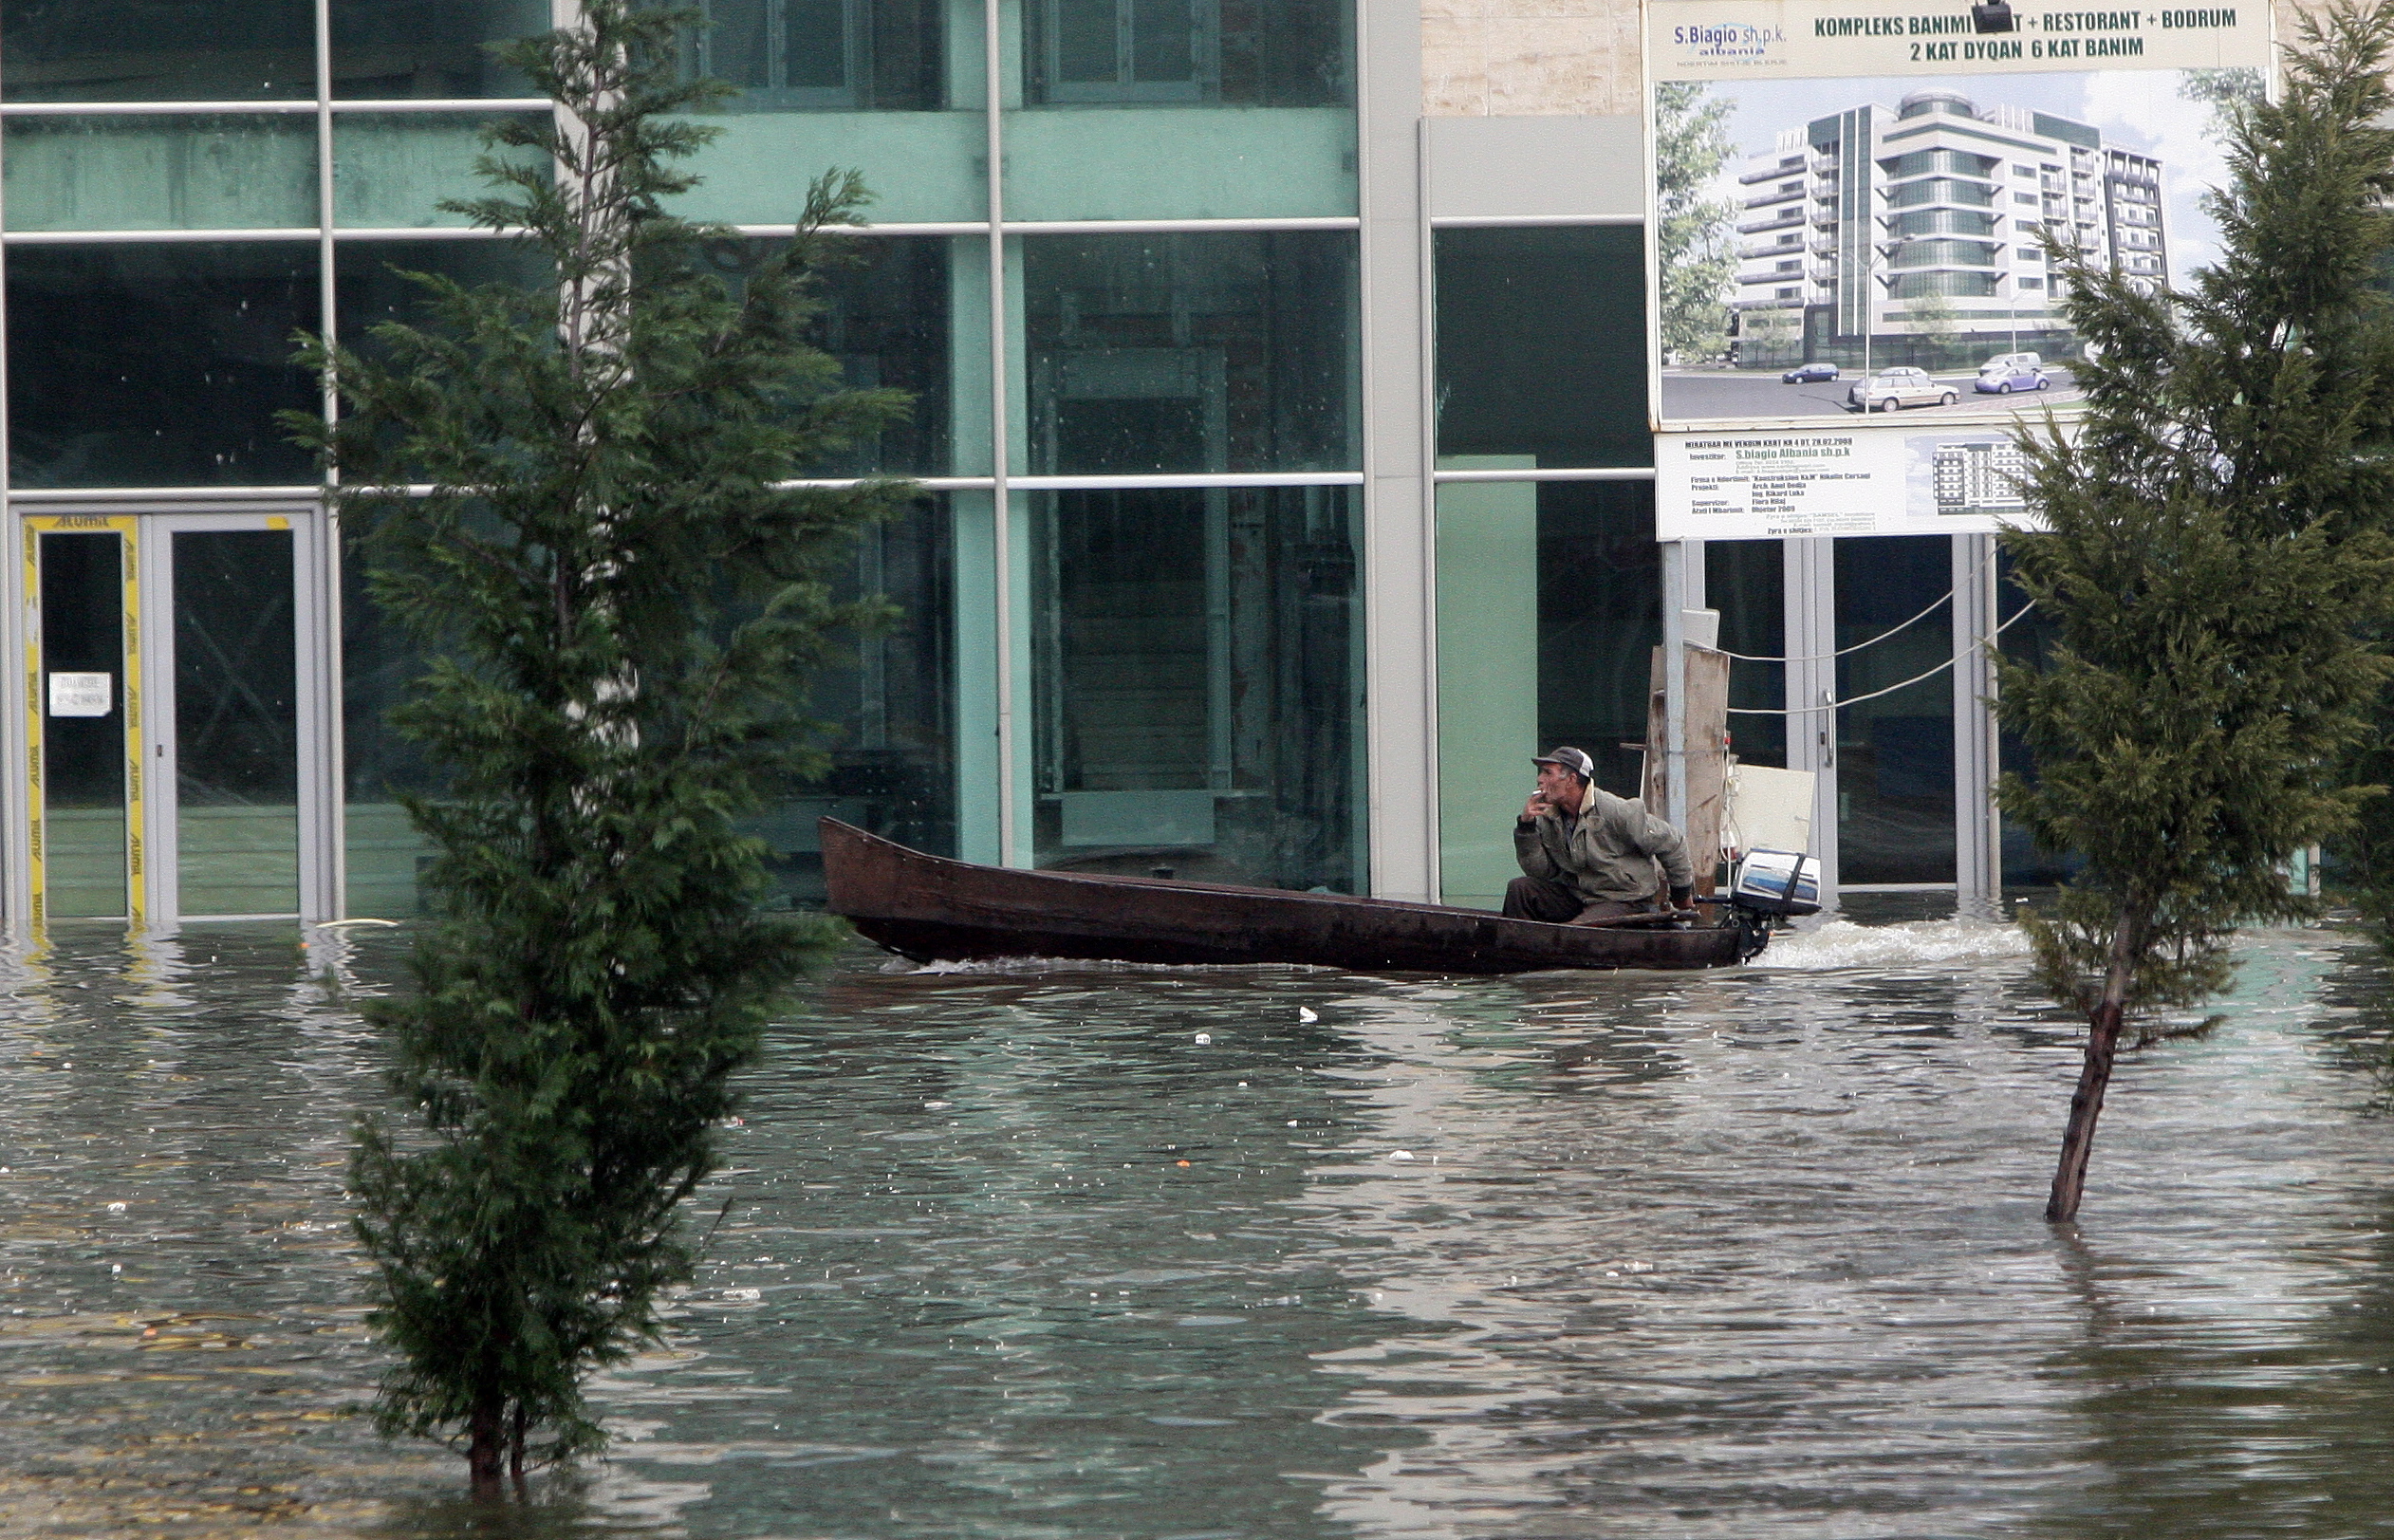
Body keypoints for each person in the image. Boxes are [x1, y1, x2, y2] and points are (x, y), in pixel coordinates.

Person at [1504, 746, 1696, 924]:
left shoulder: (1616, 811)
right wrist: (1526, 827)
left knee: (1577, 931)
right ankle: (1516, 952)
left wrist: (1681, 894)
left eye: (1548, 773)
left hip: (1625, 900)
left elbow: (1673, 843)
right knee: (1520, 889)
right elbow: (1540, 872)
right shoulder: (1548, 817)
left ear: (1571, 779)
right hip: (1579, 895)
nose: (1540, 779)